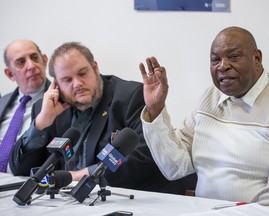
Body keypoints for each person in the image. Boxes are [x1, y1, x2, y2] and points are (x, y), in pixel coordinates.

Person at [10, 41, 197, 194]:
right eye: (67, 80)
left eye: (83, 73)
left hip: (131, 199)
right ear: (56, 85)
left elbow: (143, 156)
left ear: (95, 67)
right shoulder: (49, 110)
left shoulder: (130, 96)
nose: (78, 84)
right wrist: (42, 123)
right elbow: (22, 169)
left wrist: (77, 175)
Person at [139, 26, 269, 207]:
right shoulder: (210, 98)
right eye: (215, 60)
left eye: (233, 57)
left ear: (257, 59)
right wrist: (155, 109)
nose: (223, 66)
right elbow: (176, 166)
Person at [0, 39, 50, 173]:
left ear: (44, 60)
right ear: (10, 74)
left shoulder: (60, 101)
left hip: (26, 181)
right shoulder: (3, 102)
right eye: (21, 62)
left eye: (34, 58)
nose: (31, 66)